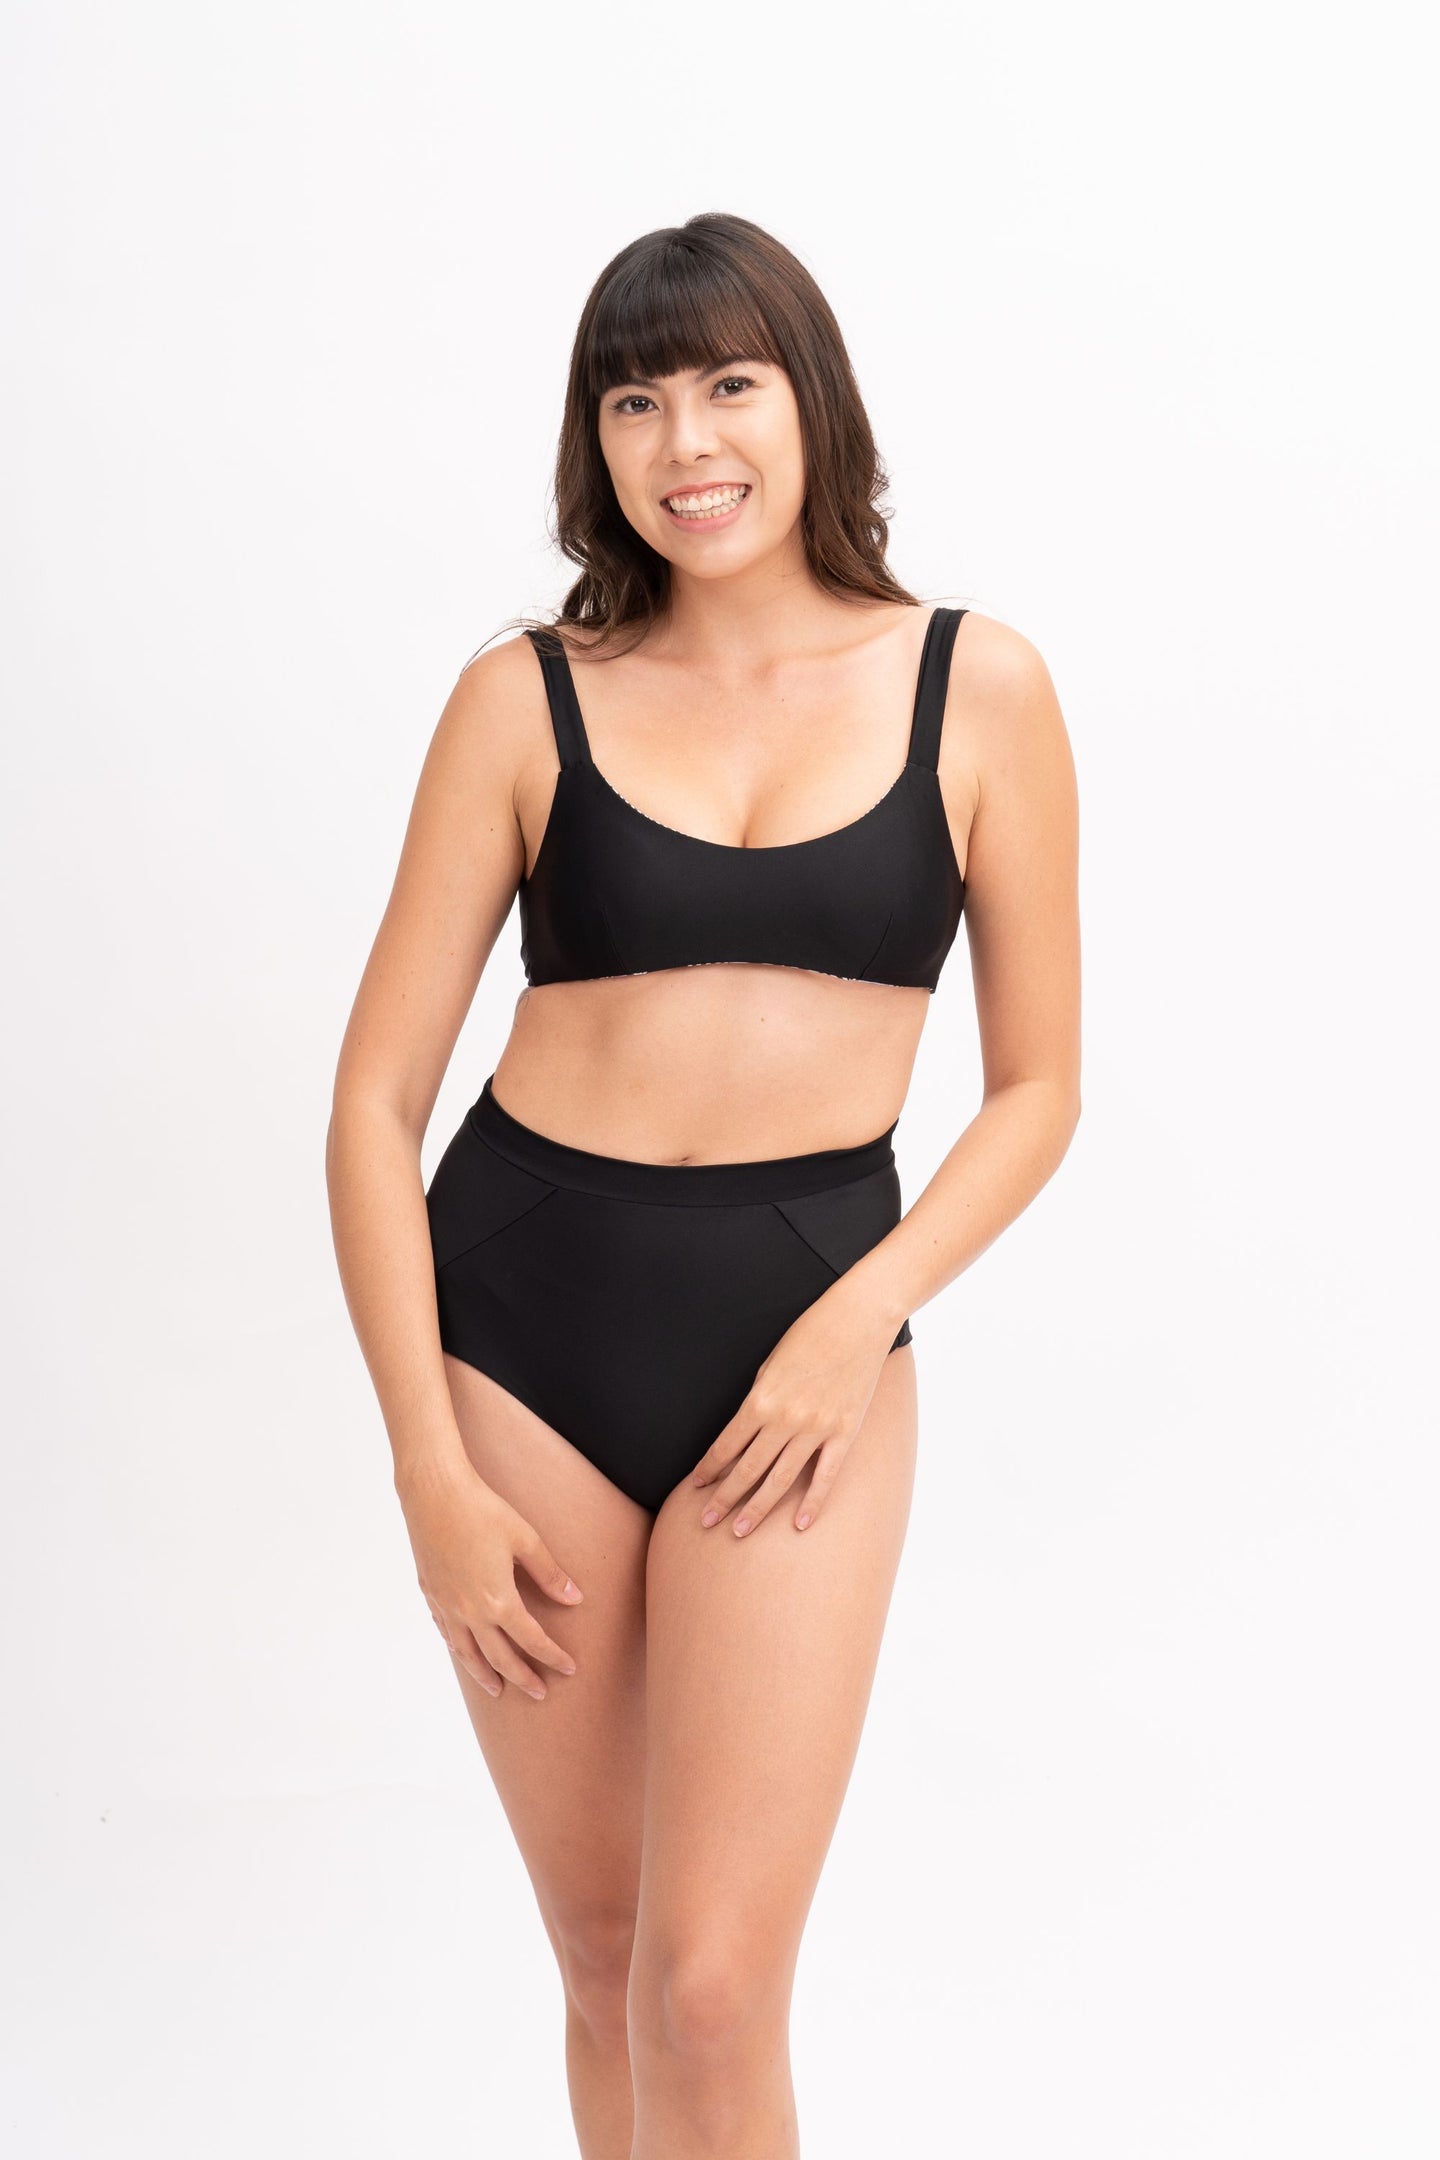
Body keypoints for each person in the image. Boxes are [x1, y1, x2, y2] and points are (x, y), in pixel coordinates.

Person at [326, 210, 1081, 2160]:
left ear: (809, 399)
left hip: (805, 1328)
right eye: (635, 399)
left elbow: (1038, 1091)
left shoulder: (976, 687)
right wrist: (425, 1469)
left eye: (729, 383)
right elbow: (372, 1103)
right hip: (521, 1329)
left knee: (713, 1987)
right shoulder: (525, 697)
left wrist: (857, 1318)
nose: (687, 441)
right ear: (597, 439)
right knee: (603, 1959)